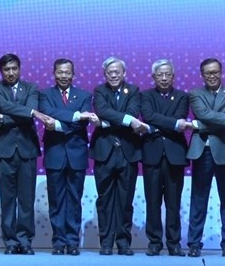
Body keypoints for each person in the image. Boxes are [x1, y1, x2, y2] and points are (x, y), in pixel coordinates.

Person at [0, 54, 48, 255]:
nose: (11, 73)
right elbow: (3, 106)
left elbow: (27, 110)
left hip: (27, 148)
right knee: (7, 198)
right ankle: (11, 242)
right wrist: (28, 114)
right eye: (6, 69)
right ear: (1, 71)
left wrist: (3, 119)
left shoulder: (31, 88)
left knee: (27, 198)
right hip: (4, 150)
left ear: (20, 69)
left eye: (14, 68)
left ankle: (25, 240)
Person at [186, 58, 225, 258]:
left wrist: (197, 125)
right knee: (198, 199)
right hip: (202, 152)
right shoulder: (195, 93)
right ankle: (194, 244)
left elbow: (210, 120)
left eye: (215, 72)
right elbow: (204, 114)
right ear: (202, 75)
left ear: (222, 73)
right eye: (207, 73)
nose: (212, 76)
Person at [38, 58, 97, 256]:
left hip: (77, 155)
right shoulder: (45, 94)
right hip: (54, 154)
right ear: (54, 73)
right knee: (56, 200)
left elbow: (83, 123)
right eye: (60, 72)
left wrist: (57, 125)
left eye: (67, 72)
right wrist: (75, 116)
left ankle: (72, 242)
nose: (64, 76)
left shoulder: (84, 95)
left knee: (74, 199)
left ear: (73, 74)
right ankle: (58, 241)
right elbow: (47, 113)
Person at [91, 56, 148, 256]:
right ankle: (106, 242)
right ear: (104, 74)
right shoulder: (99, 91)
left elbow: (132, 111)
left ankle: (123, 242)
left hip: (128, 152)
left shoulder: (133, 91)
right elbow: (102, 110)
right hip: (104, 152)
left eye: (117, 72)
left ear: (124, 73)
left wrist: (106, 122)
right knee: (104, 200)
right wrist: (127, 120)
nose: (113, 75)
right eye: (109, 72)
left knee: (125, 201)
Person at [140, 59, 190, 257]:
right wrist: (174, 124)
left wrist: (162, 124)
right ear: (153, 77)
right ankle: (154, 242)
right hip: (152, 154)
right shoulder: (145, 95)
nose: (163, 78)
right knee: (152, 201)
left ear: (173, 76)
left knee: (173, 202)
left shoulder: (182, 97)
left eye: (167, 74)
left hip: (175, 156)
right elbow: (148, 116)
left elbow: (180, 116)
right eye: (159, 75)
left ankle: (174, 242)